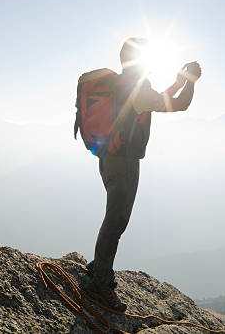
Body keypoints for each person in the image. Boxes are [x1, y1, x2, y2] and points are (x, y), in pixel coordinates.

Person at [85, 37, 202, 311]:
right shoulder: (136, 91)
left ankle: (98, 269)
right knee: (117, 221)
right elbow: (178, 104)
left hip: (106, 157)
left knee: (112, 217)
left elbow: (155, 99)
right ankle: (100, 283)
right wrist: (192, 82)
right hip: (124, 163)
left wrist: (177, 81)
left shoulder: (119, 85)